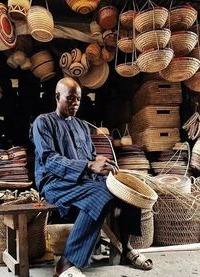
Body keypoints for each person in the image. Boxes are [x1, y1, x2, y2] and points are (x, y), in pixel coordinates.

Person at [30, 77, 153, 277]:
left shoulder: (81, 126)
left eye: (78, 99)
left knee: (129, 192)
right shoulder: (43, 122)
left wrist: (101, 164)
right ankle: (66, 263)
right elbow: (49, 160)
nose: (75, 103)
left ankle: (126, 247)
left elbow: (90, 157)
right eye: (70, 98)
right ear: (57, 96)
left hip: (83, 180)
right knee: (101, 195)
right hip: (54, 182)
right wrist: (89, 165)